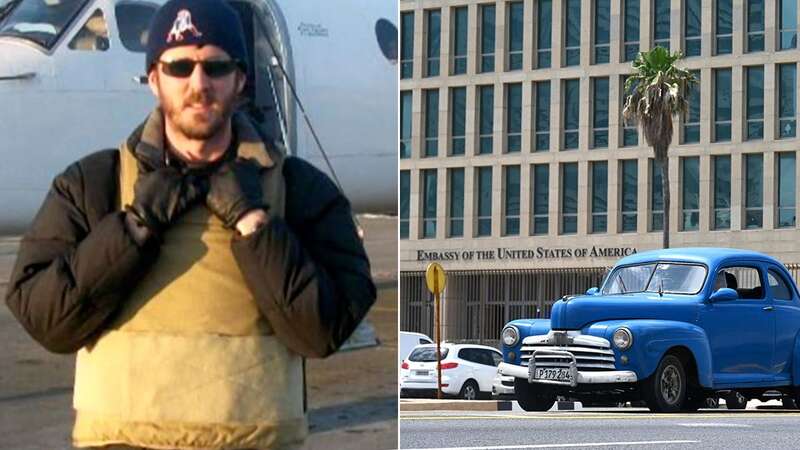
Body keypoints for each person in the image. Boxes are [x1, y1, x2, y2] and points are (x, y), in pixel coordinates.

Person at [4, 0, 376, 448]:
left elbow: (322, 332)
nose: (198, 84)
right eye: (179, 66)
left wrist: (255, 225)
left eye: (215, 66)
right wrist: (132, 229)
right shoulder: (93, 186)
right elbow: (48, 321)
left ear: (241, 80)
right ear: (154, 79)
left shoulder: (300, 192)